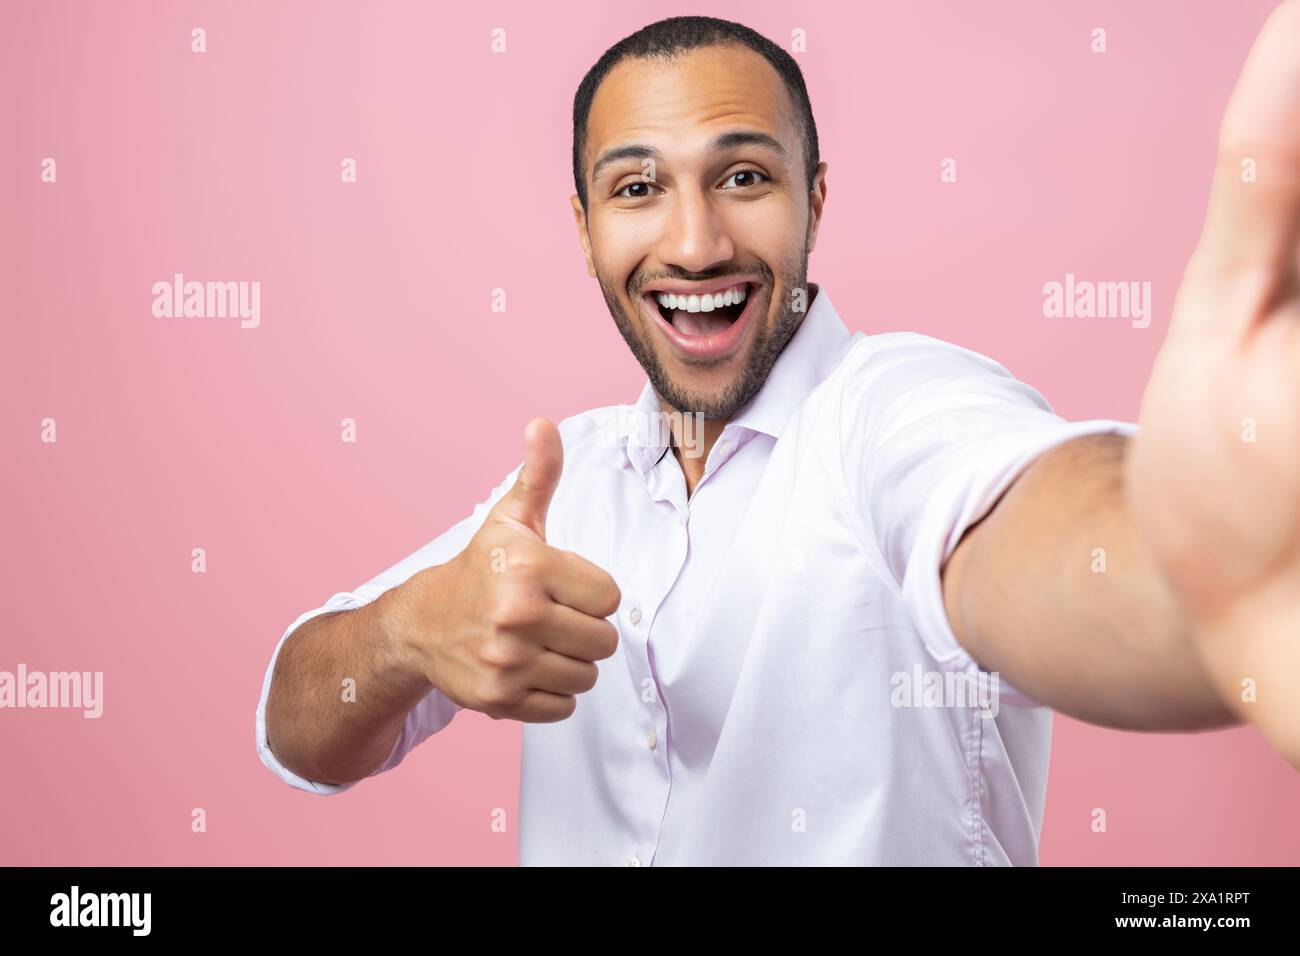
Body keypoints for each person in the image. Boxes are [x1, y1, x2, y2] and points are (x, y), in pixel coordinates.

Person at [257, 10, 1300, 865]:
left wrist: (1186, 566)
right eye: (635, 188)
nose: (695, 241)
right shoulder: (556, 485)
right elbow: (298, 731)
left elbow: (1008, 527)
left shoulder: (891, 407)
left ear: (815, 199)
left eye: (744, 176)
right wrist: (404, 631)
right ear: (583, 230)